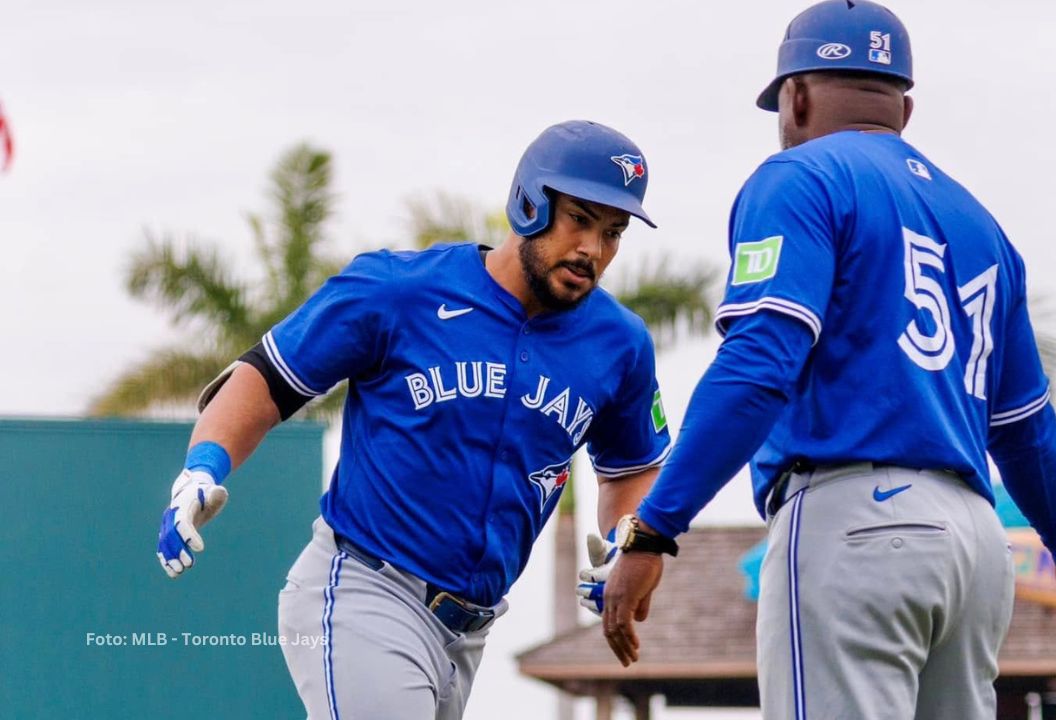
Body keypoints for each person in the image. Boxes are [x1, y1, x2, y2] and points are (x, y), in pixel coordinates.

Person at [593, 3, 1056, 718]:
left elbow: (759, 368)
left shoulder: (799, 178)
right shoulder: (981, 223)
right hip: (975, 545)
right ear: (906, 106)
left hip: (856, 526)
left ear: (796, 96)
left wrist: (655, 529)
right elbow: (1026, 426)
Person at [154, 119, 673, 720]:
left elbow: (630, 469)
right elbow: (266, 380)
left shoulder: (621, 343)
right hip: (364, 590)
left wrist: (627, 540)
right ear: (530, 202)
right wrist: (202, 466)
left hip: (469, 632)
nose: (594, 249)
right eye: (579, 219)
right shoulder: (399, 291)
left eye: (613, 232)